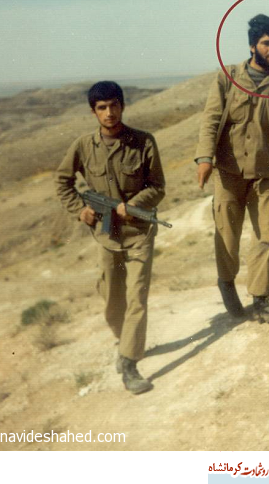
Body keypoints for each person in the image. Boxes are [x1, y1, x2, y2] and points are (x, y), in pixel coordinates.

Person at [55, 81, 165, 394]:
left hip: (139, 232)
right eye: (101, 108)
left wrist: (133, 205)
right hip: (106, 236)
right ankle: (124, 340)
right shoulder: (83, 146)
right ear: (93, 111)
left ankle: (129, 363)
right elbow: (62, 182)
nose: (109, 113)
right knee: (112, 301)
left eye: (114, 105)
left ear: (123, 106)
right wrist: (80, 210)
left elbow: (158, 187)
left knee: (137, 297)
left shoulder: (143, 141)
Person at [195, 14, 269, 322]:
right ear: (252, 45)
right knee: (228, 238)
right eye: (267, 43)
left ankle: (260, 298)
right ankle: (226, 283)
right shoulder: (227, 78)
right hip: (228, 174)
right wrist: (204, 159)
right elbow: (210, 121)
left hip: (264, 175)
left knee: (266, 236)